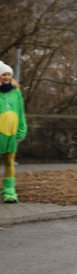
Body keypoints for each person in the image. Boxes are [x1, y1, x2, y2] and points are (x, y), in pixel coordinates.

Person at [0, 60, 27, 203]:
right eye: (3, 74)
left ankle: (9, 191)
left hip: (11, 133)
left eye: (8, 75)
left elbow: (20, 111)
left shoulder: (16, 92)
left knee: (10, 161)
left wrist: (22, 129)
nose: (6, 77)